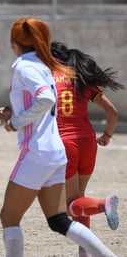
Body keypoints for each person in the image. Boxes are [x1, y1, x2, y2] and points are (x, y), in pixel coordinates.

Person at [0, 17, 117, 257]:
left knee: (9, 217)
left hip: (41, 150)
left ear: (13, 42)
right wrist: (14, 112)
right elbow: (44, 102)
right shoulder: (51, 68)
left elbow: (46, 100)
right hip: (64, 148)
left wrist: (15, 122)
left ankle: (102, 209)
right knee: (60, 218)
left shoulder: (26, 66)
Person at [51, 41, 124, 256]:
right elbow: (112, 112)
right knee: (79, 200)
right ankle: (84, 252)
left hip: (65, 143)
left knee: (69, 205)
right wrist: (107, 136)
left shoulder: (47, 78)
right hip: (87, 141)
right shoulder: (81, 78)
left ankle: (103, 204)